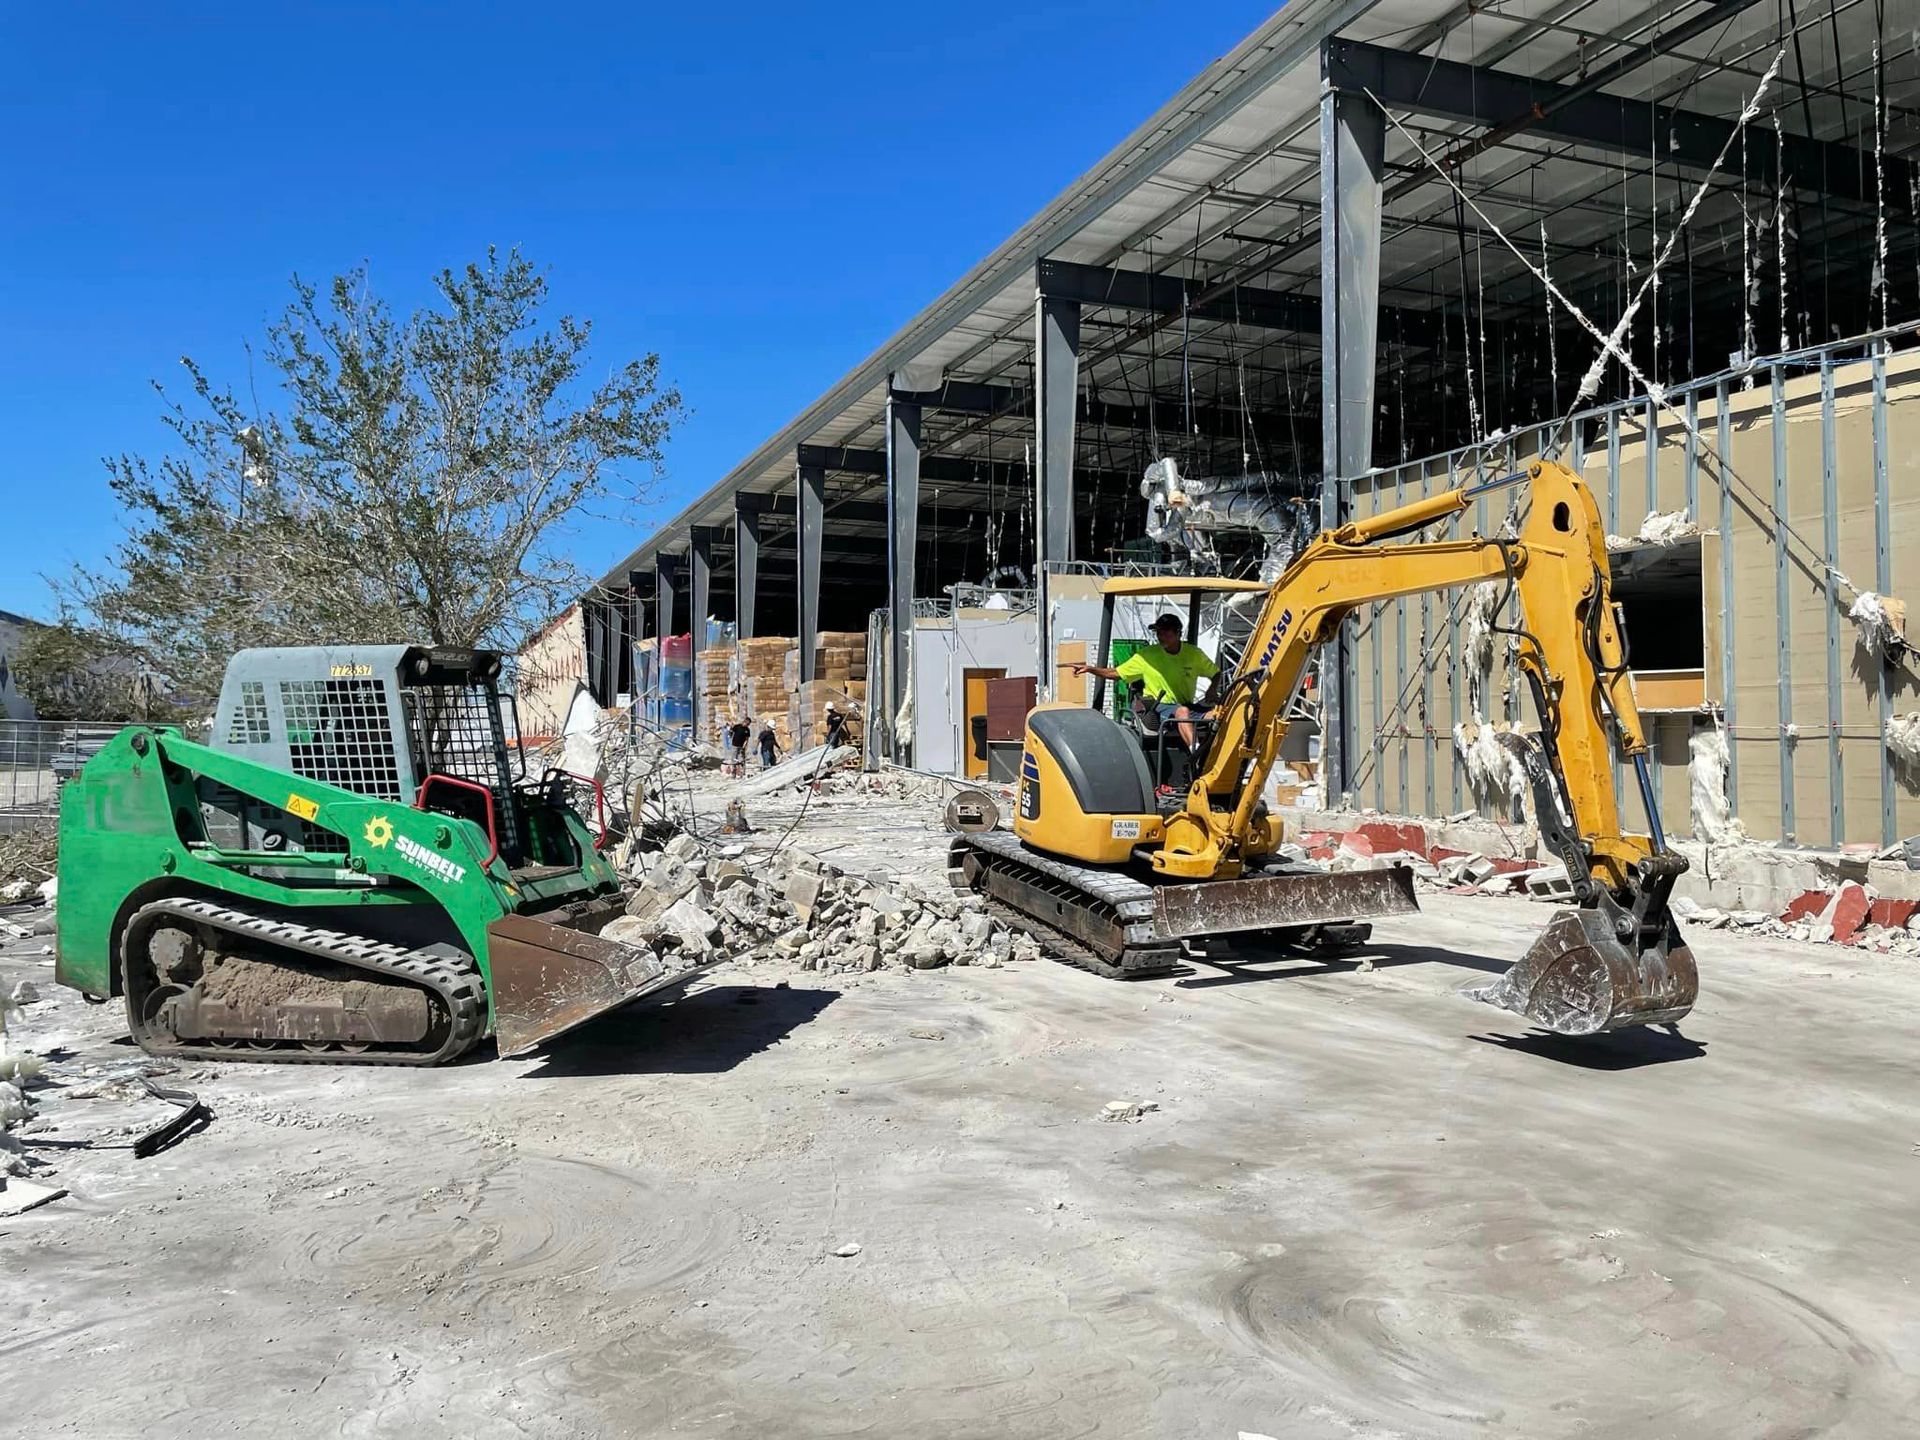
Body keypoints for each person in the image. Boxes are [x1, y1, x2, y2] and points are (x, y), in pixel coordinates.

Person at [1073, 612, 1218, 755]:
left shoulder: (1194, 654)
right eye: (1159, 633)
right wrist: (1091, 669)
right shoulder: (1147, 656)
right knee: (1182, 712)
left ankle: (1216, 753)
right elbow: (1116, 673)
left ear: (1178, 633)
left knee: (1218, 714)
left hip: (1186, 705)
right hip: (1158, 707)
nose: (1161, 637)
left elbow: (1216, 673)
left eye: (1166, 633)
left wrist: (1212, 689)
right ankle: (1197, 754)